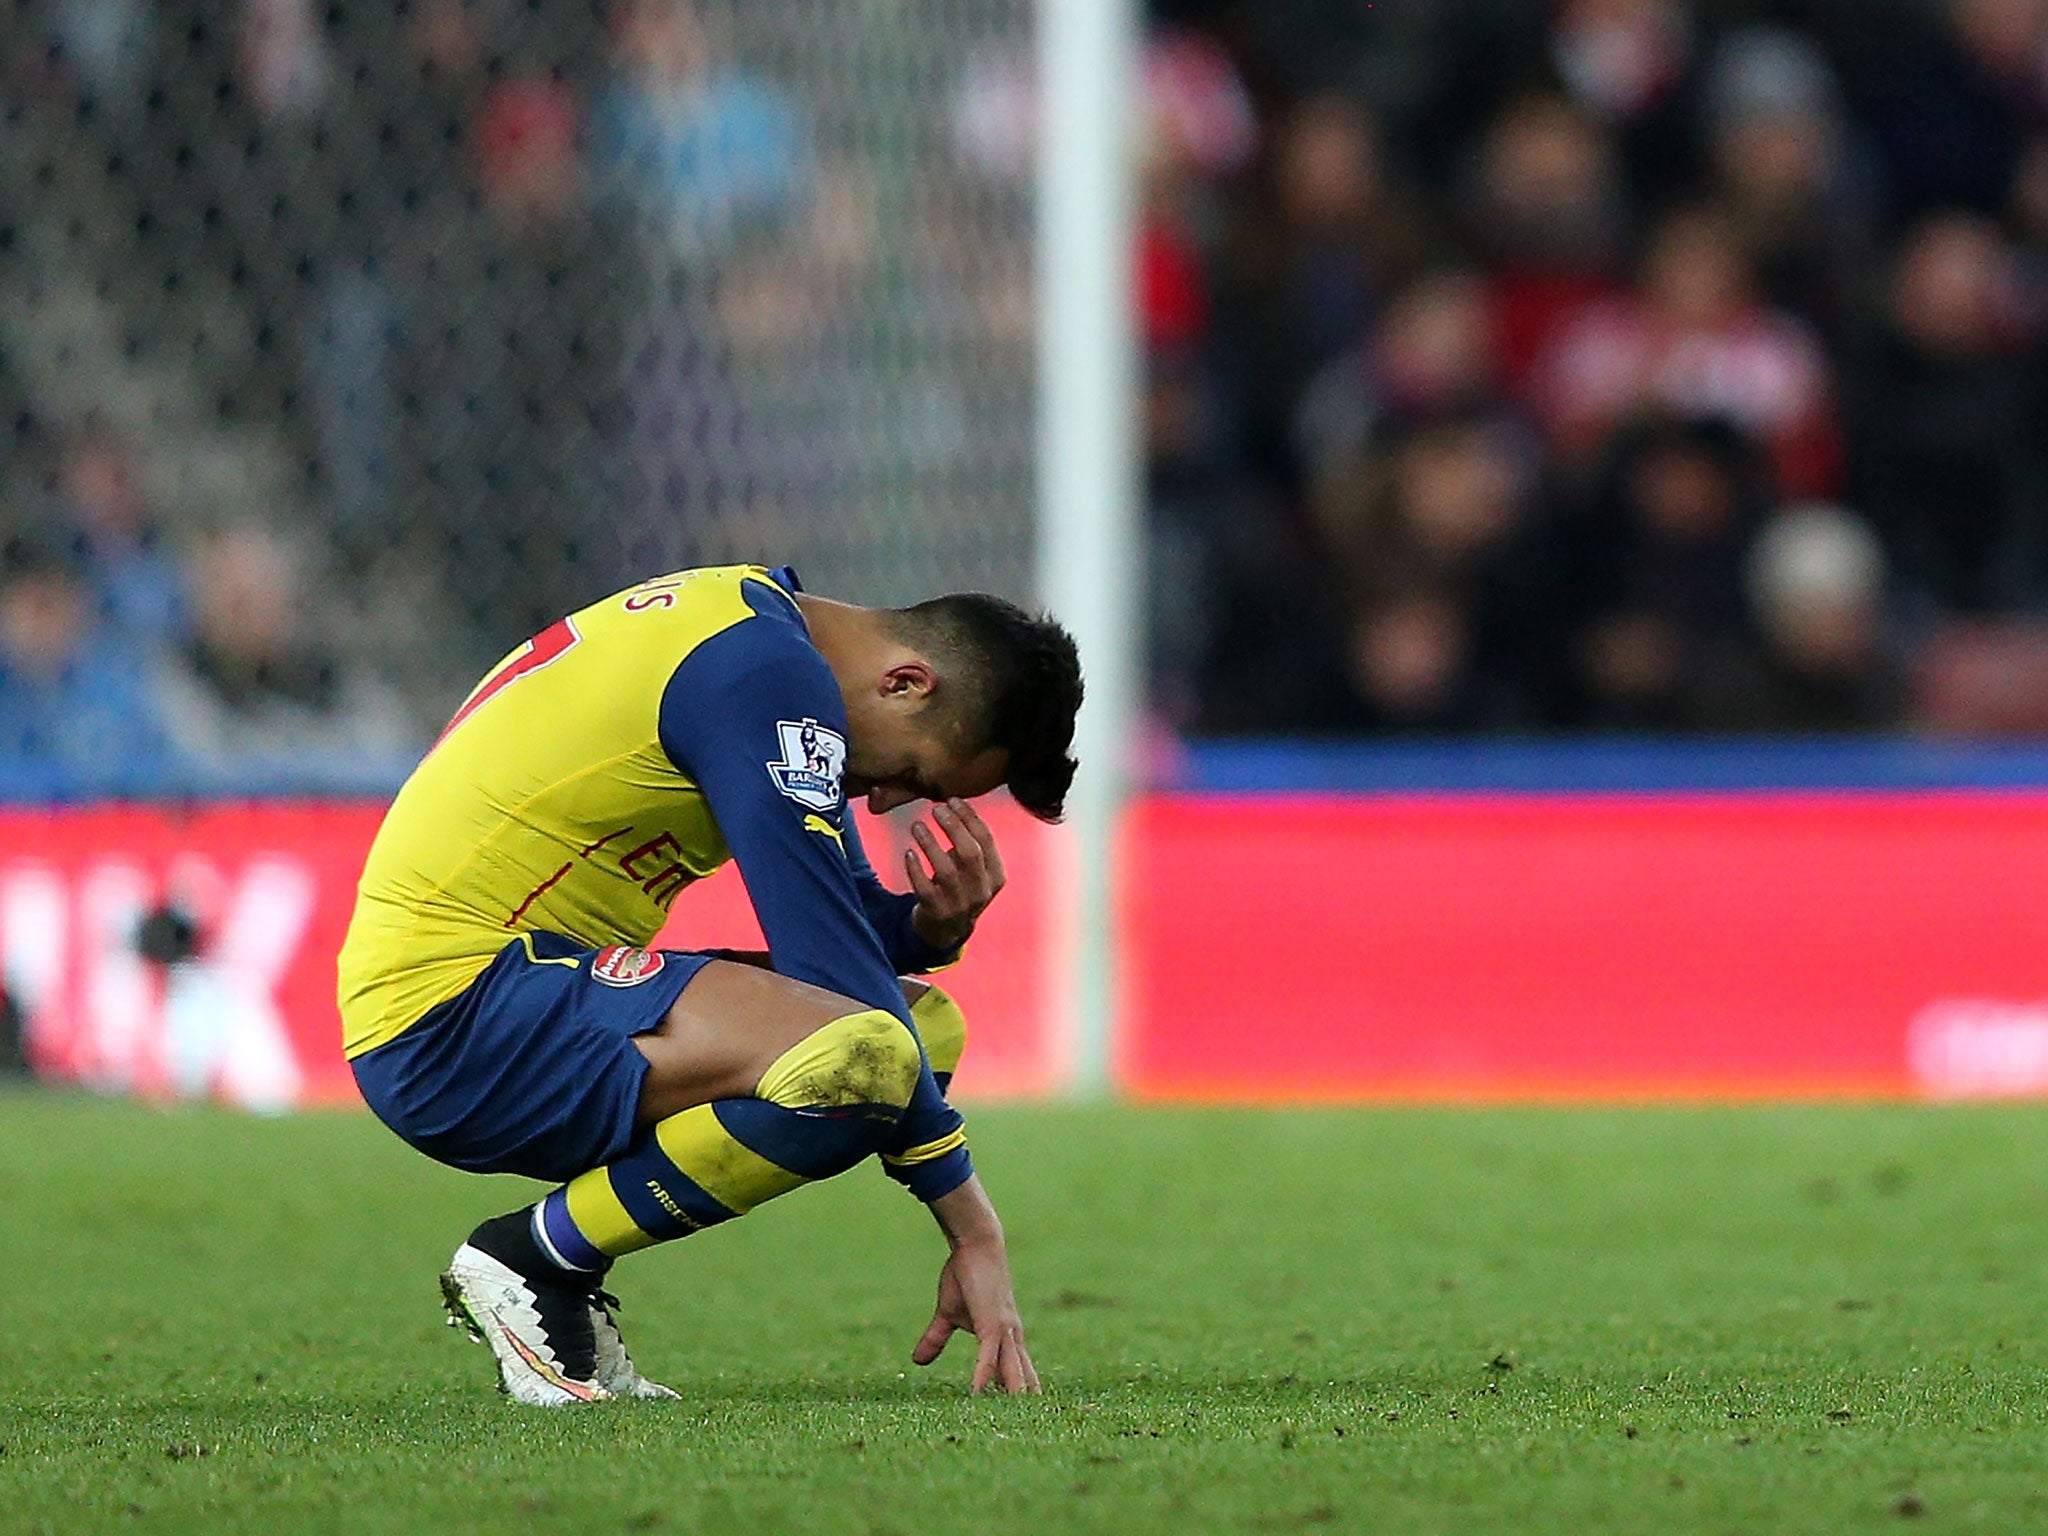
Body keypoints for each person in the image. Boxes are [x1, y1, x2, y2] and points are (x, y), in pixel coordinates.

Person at [337, 563, 1081, 1405]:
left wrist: (928, 929)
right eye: (912, 774)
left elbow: (844, 933)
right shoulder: (762, 676)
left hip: (516, 995)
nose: (883, 803)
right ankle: (532, 1261)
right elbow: (832, 976)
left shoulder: (756, 638)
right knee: (869, 1051)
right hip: (455, 1015)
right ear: (906, 683)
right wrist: (973, 1227)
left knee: (921, 1029)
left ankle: (550, 1272)